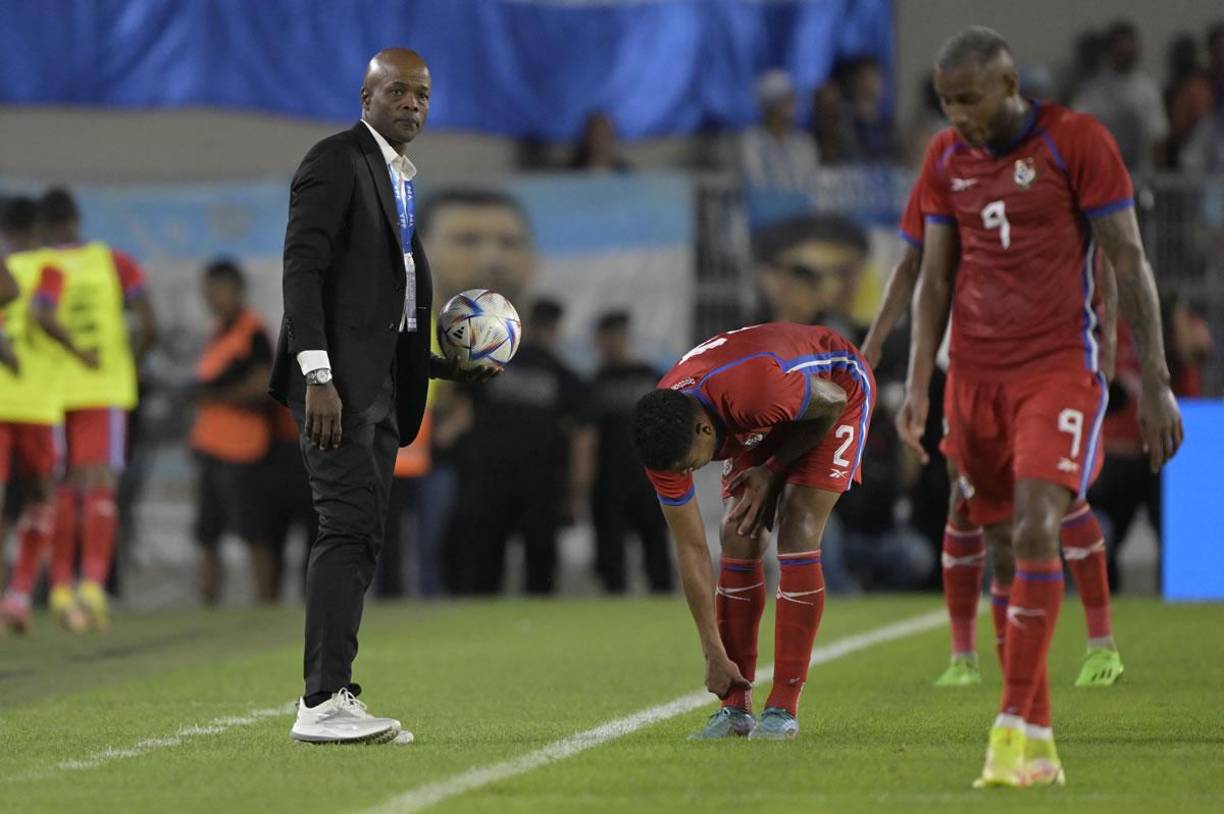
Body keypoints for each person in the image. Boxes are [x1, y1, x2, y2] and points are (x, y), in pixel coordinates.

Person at [899, 27, 1182, 788]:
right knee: (998, 545)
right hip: (974, 379)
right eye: (945, 101)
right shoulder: (944, 160)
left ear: (1008, 83)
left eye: (968, 98)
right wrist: (920, 380)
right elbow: (933, 283)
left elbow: (1129, 260)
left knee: (1036, 524)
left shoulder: (1076, 141)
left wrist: (1154, 379)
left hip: (1058, 368)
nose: (956, 114)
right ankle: (1042, 743)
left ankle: (1008, 727)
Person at [268, 47, 489, 745]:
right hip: (336, 393)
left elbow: (377, 312)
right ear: (364, 96)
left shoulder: (396, 178)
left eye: (422, 94)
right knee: (344, 530)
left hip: (379, 393)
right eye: (397, 91)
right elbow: (301, 270)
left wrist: (446, 369)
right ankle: (321, 701)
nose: (412, 104)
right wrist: (318, 376)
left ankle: (336, 692)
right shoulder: (336, 161)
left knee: (361, 536)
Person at [865, 175, 1126, 690]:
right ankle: (969, 657)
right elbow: (912, 269)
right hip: (969, 368)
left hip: (1044, 366)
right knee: (969, 506)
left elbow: (1114, 252)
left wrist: (1109, 336)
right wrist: (878, 351)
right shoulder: (944, 177)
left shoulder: (1048, 169)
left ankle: (1101, 646)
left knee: (1057, 497)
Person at [632, 322, 874, 741]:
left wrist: (774, 470)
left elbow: (830, 403)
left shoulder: (755, 391)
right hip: (762, 412)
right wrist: (712, 650)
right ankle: (734, 710)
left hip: (834, 389)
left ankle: (783, 706)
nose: (689, 474)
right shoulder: (664, 442)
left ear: (705, 431)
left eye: (691, 463)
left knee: (798, 526)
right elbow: (691, 548)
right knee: (737, 534)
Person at [30, 188, 158, 633]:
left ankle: (61, 587)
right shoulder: (115, 262)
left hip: (47, 394)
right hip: (102, 389)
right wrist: (131, 366)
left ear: (43, 227)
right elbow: (149, 322)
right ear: (76, 219)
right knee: (100, 485)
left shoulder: (32, 268)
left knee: (61, 487)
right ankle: (94, 588)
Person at [459, 298, 593, 595]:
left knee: (493, 557)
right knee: (535, 560)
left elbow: (464, 406)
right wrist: (578, 485)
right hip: (533, 478)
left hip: (503, 475)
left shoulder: (497, 363)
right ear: (555, 329)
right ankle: (533, 612)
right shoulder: (561, 374)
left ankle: (485, 612)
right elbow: (582, 433)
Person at [189, 260, 277, 604]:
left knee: (254, 532)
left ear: (236, 290)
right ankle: (208, 602)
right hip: (211, 445)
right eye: (207, 291)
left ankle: (264, 603)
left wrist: (218, 397)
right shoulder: (218, 331)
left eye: (217, 290)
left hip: (245, 448)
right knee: (207, 534)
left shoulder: (253, 331)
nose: (211, 298)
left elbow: (263, 384)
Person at [0, 197, 65, 633]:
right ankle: (19, 594)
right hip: (38, 403)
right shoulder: (50, 269)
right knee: (41, 496)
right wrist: (80, 350)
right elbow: (43, 313)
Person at [588, 311, 671, 594]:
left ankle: (663, 609)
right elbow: (587, 437)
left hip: (650, 478)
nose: (613, 343)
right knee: (611, 559)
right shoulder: (597, 382)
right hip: (609, 480)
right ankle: (614, 610)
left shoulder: (651, 377)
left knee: (657, 553)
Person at [1071, 20, 1168, 170]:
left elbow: (1157, 136)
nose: (1126, 56)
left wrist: (1157, 176)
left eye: (1130, 52)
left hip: (1139, 174)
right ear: (1110, 52)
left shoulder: (1147, 89)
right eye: (1122, 52)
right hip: (1102, 169)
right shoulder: (1094, 89)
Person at [738, 70, 820, 190]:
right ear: (769, 106)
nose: (792, 105)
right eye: (785, 99)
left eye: (792, 98)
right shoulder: (750, 142)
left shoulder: (804, 143)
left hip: (802, 206)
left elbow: (810, 182)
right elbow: (756, 183)